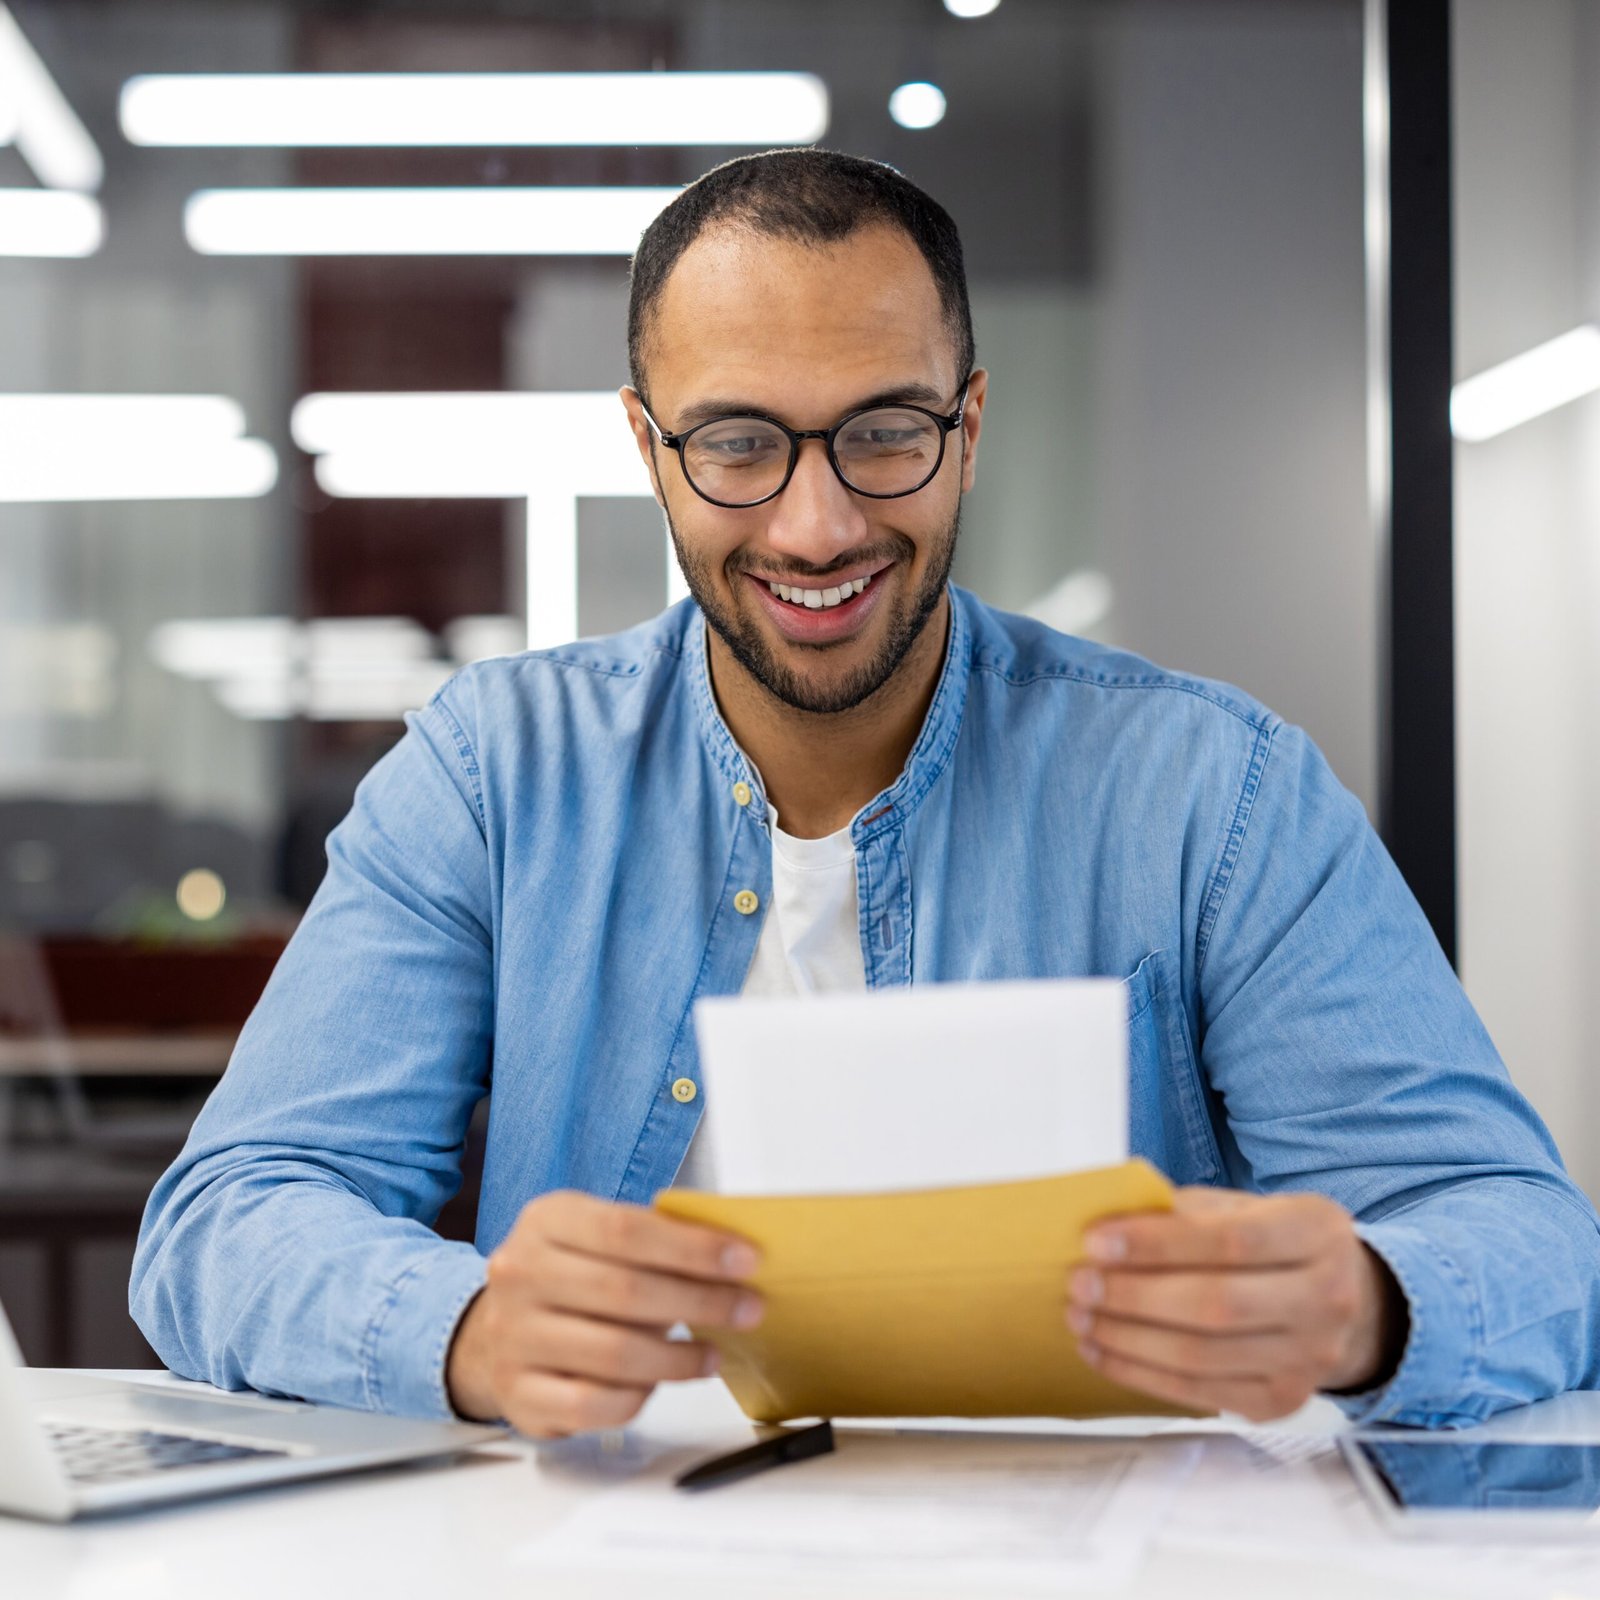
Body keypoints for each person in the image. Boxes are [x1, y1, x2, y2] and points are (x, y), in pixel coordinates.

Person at [132, 149, 1600, 1440]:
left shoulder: (1217, 797)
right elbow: (226, 1220)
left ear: (968, 427)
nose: (816, 520)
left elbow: (1528, 1241)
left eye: (884, 432)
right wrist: (461, 1330)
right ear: (647, 447)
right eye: (739, 444)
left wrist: (1371, 1310)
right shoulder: (492, 778)